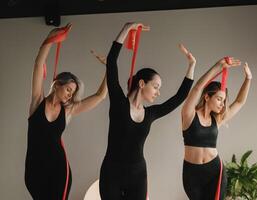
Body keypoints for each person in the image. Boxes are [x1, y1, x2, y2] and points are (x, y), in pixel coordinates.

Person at [99, 22, 196, 200]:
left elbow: (179, 97)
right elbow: (111, 62)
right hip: (111, 174)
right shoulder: (119, 103)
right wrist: (127, 29)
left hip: (137, 176)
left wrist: (191, 66)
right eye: (156, 87)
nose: (158, 92)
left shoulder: (151, 113)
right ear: (142, 83)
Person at [25, 24, 108, 200]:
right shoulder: (37, 102)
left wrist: (110, 69)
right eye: (69, 89)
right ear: (57, 85)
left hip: (59, 170)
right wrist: (50, 39)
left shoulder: (68, 111)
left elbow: (100, 96)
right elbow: (39, 64)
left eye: (73, 92)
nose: (71, 95)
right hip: (34, 171)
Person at [181, 56, 252, 200]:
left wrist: (248, 79)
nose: (222, 104)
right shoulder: (189, 114)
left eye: (224, 100)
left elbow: (239, 102)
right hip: (191, 174)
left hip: (214, 172)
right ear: (207, 97)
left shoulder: (217, 120)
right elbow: (197, 88)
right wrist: (218, 66)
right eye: (219, 99)